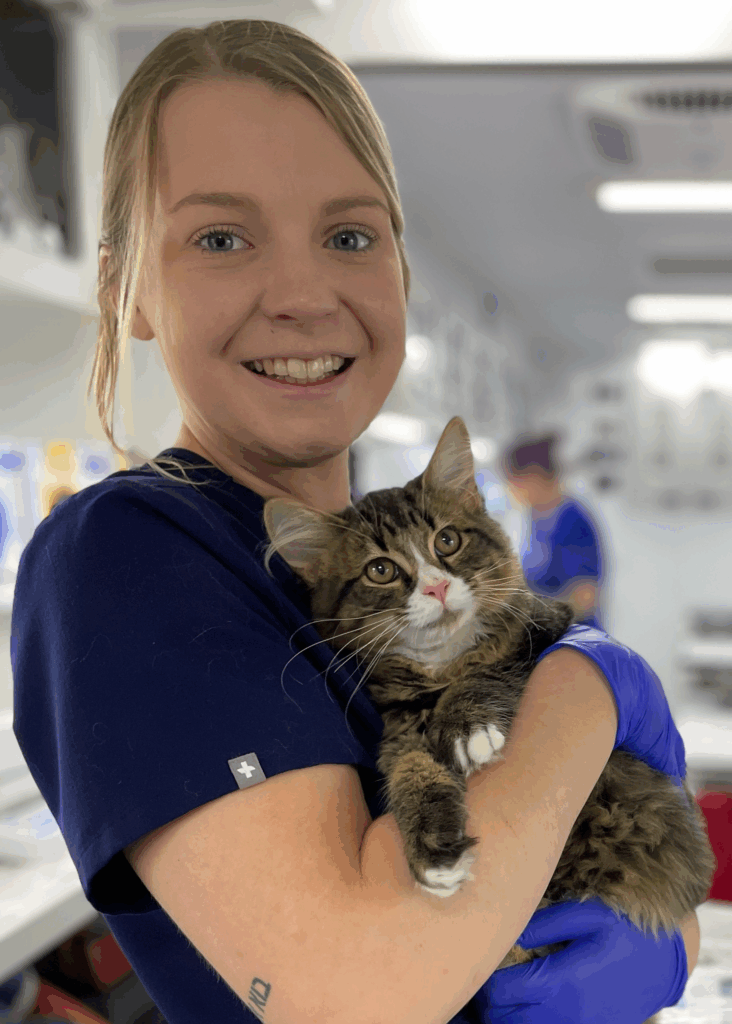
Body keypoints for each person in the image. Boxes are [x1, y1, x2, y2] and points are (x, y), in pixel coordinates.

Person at [10, 20, 699, 1024]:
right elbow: (358, 995)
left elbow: (646, 895)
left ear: (402, 276)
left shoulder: (375, 541)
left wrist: (667, 943)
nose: (300, 294)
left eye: (348, 235)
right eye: (221, 237)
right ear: (126, 290)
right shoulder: (127, 555)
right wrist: (589, 696)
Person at [502, 433, 605, 629]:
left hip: (575, 639)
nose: (510, 491)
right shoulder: (536, 517)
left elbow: (585, 600)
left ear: (533, 477)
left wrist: (527, 616)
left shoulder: (572, 520)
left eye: (512, 483)